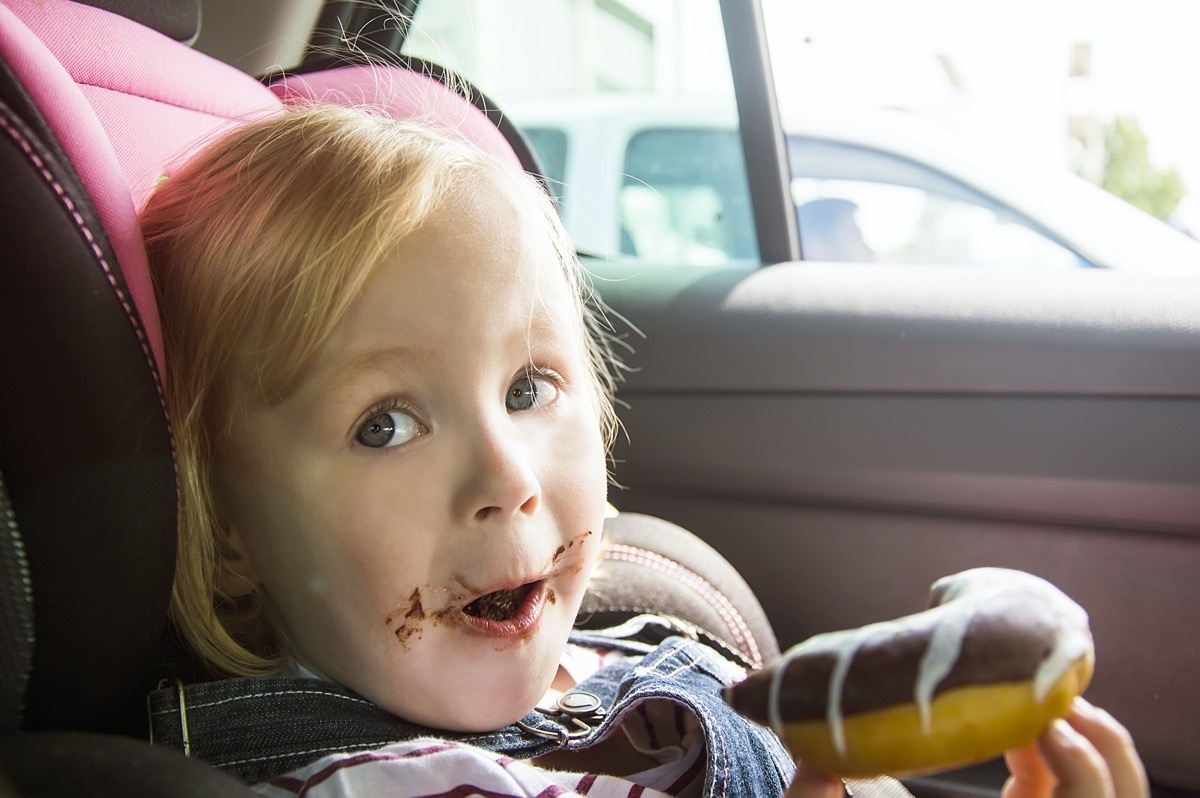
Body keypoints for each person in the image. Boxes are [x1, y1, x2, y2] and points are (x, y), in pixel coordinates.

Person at [140, 104, 1148, 798]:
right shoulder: (370, 780)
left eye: (529, 389)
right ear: (228, 533)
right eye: (384, 426)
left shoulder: (648, 648)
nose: (509, 482)